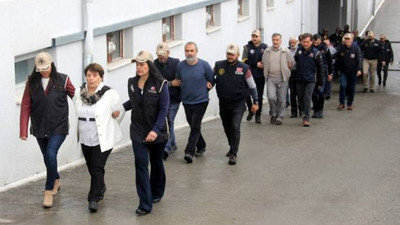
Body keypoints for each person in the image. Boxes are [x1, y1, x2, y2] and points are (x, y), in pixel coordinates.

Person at [20, 52, 75, 208]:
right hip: (39, 127)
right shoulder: (31, 83)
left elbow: (76, 97)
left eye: (46, 68)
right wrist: (23, 130)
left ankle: (48, 190)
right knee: (47, 157)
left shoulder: (63, 80)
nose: (44, 71)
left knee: (51, 154)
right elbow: (25, 106)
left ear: (52, 65)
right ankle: (56, 178)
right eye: (41, 69)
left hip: (59, 126)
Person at [123, 51, 169, 216]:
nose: (139, 67)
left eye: (142, 64)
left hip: (157, 131)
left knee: (156, 164)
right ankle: (145, 203)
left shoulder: (160, 84)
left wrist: (155, 130)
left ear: (149, 65)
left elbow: (164, 108)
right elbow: (134, 102)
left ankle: (157, 191)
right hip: (137, 130)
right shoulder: (132, 83)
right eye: (137, 64)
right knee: (141, 164)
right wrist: (120, 109)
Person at [73, 63, 124, 212]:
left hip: (102, 136)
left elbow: (118, 111)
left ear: (101, 77)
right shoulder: (79, 93)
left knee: (97, 167)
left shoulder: (109, 93)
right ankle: (100, 186)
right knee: (91, 167)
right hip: (84, 135)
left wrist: (113, 120)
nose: (91, 78)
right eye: (88, 75)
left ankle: (93, 198)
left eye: (95, 75)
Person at [214, 43, 259, 165]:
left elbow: (252, 86)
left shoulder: (244, 68)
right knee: (227, 127)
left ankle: (234, 153)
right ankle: (231, 145)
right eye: (228, 54)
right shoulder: (219, 65)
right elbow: (212, 79)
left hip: (238, 103)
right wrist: (207, 85)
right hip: (223, 103)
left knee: (235, 126)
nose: (230, 56)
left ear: (238, 55)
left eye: (233, 54)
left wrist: (255, 101)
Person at [176, 42, 214, 163]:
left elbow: (212, 79)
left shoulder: (204, 65)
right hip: (187, 101)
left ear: (196, 52)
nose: (189, 53)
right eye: (187, 51)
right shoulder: (180, 66)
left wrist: (209, 85)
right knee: (193, 125)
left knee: (195, 125)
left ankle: (189, 151)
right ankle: (201, 145)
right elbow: (178, 80)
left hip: (201, 100)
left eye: (192, 51)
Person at [154, 42, 181, 159]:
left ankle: (167, 147)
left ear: (168, 53)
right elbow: (157, 82)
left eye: (163, 54)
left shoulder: (176, 63)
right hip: (162, 99)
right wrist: (170, 83)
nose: (161, 57)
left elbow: (179, 80)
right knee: (168, 121)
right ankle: (173, 144)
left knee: (169, 120)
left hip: (174, 99)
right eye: (158, 54)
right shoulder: (154, 65)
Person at [262, 33, 295, 125]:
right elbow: (264, 62)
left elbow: (292, 64)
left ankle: (280, 116)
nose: (275, 41)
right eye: (274, 40)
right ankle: (274, 113)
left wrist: (290, 66)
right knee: (271, 97)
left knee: (281, 99)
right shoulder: (267, 51)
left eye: (277, 40)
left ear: (281, 41)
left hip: (282, 77)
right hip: (270, 77)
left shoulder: (286, 51)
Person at [294, 33, 325, 127]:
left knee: (307, 98)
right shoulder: (299, 51)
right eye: (304, 42)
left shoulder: (316, 53)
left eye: (307, 42)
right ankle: (303, 110)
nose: (305, 44)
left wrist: (320, 82)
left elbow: (321, 69)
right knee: (300, 98)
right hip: (300, 79)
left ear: (311, 42)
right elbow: (295, 61)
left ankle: (306, 118)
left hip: (310, 80)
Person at [242, 29, 267, 123]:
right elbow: (244, 62)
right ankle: (251, 110)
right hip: (249, 75)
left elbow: (267, 60)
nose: (255, 38)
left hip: (260, 76)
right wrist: (255, 64)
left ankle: (258, 115)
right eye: (253, 36)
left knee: (259, 95)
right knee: (247, 94)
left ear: (260, 37)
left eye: (256, 36)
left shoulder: (265, 47)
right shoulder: (246, 47)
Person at [334, 33, 362, 110]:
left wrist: (359, 69)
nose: (346, 40)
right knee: (343, 86)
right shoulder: (342, 48)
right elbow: (336, 55)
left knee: (351, 88)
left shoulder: (356, 48)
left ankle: (349, 103)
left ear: (352, 40)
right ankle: (342, 103)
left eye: (348, 39)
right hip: (343, 71)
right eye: (345, 39)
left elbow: (359, 59)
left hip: (353, 71)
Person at [311, 34, 333, 119]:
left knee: (320, 92)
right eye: (314, 42)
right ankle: (315, 110)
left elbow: (329, 61)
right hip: (313, 72)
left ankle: (320, 110)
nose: (316, 44)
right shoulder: (311, 48)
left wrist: (330, 73)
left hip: (322, 72)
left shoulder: (325, 48)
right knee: (313, 93)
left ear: (320, 40)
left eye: (317, 42)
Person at [288, 36, 302, 118]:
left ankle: (301, 109)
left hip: (299, 73)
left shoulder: (300, 50)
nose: (292, 44)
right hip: (291, 74)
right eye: (291, 42)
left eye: (294, 42)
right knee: (292, 93)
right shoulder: (287, 50)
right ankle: (293, 111)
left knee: (300, 93)